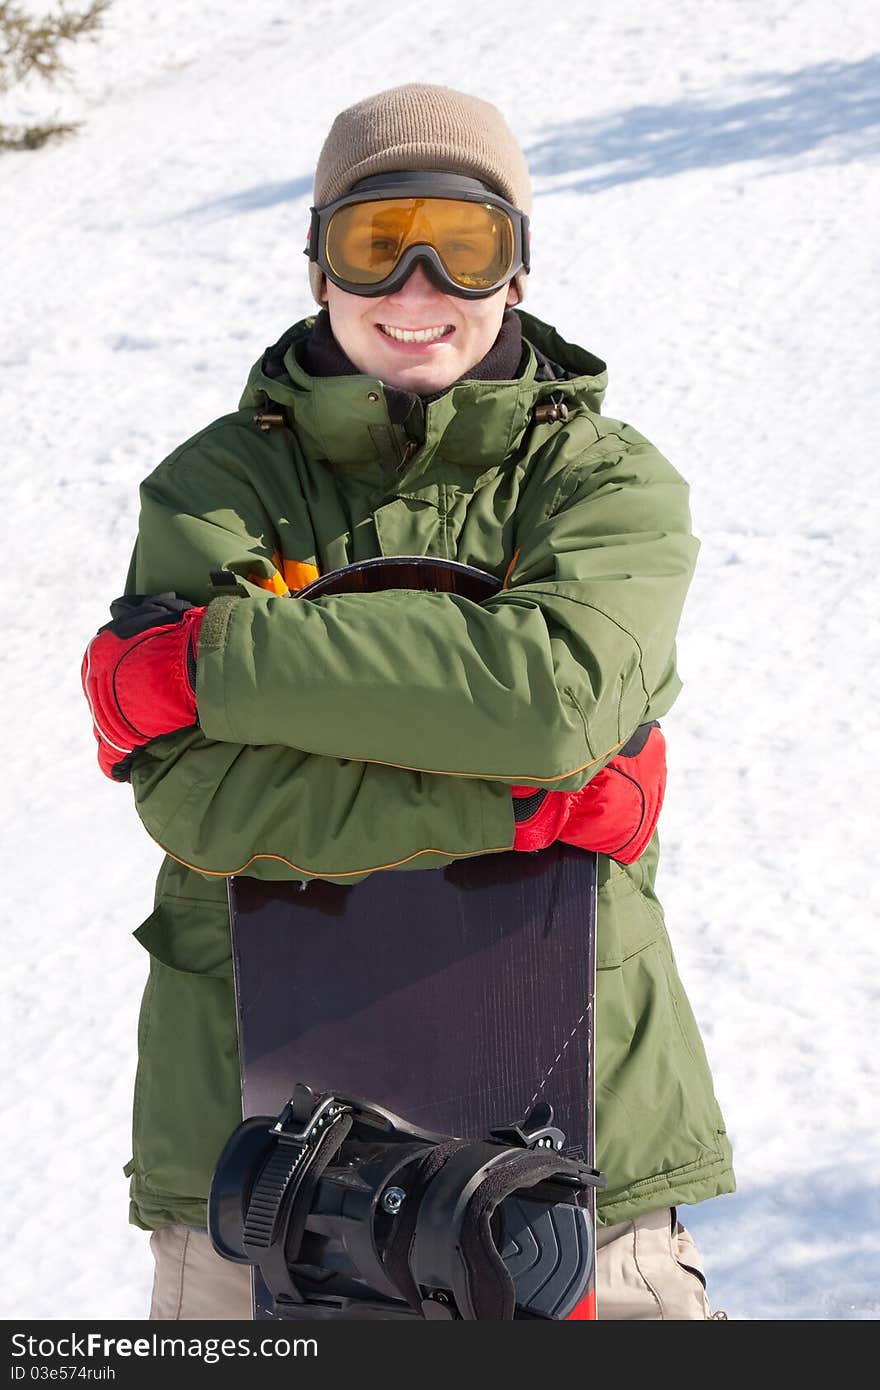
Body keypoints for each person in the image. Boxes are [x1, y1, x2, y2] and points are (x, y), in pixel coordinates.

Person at [81, 83, 734, 1320]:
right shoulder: (220, 484)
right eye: (376, 245)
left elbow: (549, 701)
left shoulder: (605, 481)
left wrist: (216, 659)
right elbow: (205, 802)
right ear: (318, 261)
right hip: (247, 1145)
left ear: (518, 268)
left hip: (578, 1134)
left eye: (463, 243)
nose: (417, 289)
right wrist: (530, 799)